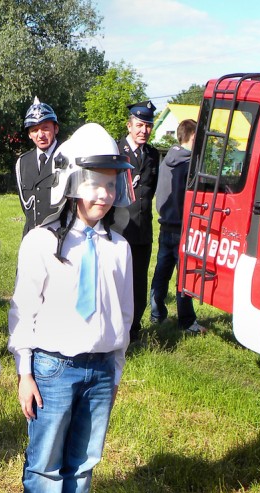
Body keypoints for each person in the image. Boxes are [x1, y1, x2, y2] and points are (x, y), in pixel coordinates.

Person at [8, 123, 134, 493]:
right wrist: (25, 371)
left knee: (84, 461)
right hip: (53, 369)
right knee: (45, 461)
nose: (102, 195)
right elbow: (23, 309)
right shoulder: (42, 241)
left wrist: (114, 373)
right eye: (94, 183)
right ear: (73, 182)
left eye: (110, 185)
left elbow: (124, 315)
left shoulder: (119, 249)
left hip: (99, 371)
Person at [149, 119, 206, 334]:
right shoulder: (190, 165)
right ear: (192, 137)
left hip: (165, 225)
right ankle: (187, 321)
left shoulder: (166, 162)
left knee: (161, 273)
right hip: (183, 227)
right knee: (184, 277)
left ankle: (156, 314)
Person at [111, 100, 159, 342]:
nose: (144, 131)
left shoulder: (152, 155)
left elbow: (151, 191)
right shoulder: (116, 151)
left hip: (142, 230)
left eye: (148, 126)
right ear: (129, 125)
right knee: (116, 280)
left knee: (139, 283)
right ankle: (114, 328)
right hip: (119, 229)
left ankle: (134, 328)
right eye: (139, 125)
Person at [15, 97, 60, 236]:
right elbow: (26, 206)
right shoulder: (22, 163)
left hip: (62, 238)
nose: (40, 135)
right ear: (29, 134)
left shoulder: (68, 155)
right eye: (34, 130)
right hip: (31, 237)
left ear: (55, 128)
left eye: (45, 128)